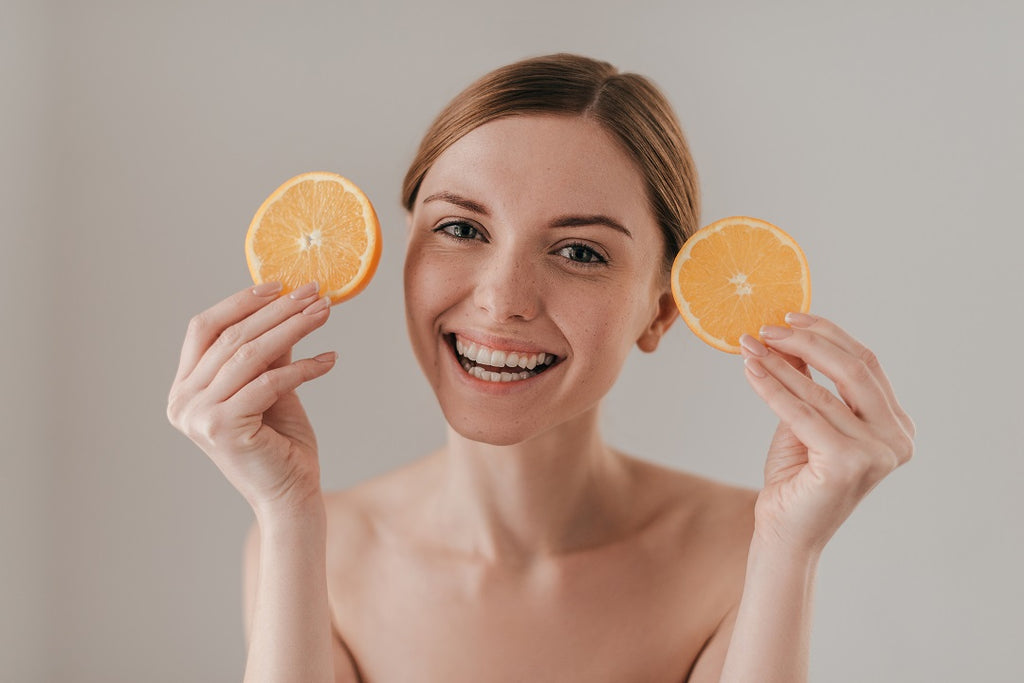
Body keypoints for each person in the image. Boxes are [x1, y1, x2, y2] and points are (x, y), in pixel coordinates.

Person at [167, 53, 914, 682]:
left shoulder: (742, 547)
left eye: (579, 251)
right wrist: (289, 512)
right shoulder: (312, 547)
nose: (501, 300)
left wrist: (792, 545)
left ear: (662, 309)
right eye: (461, 228)